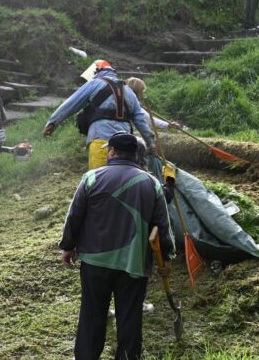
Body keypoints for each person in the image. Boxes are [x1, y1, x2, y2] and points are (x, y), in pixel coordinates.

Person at [59, 132, 175, 360]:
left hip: (94, 262)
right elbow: (163, 226)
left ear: (111, 151)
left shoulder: (91, 177)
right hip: (134, 263)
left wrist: (68, 246)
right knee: (130, 318)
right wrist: (168, 257)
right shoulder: (151, 183)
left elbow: (74, 216)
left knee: (92, 314)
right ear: (135, 155)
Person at [42, 60, 156, 170]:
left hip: (100, 140)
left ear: (96, 72)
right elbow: (141, 120)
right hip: (124, 145)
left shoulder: (94, 84)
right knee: (121, 181)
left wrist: (53, 122)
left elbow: (71, 104)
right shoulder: (129, 91)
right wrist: (151, 142)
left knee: (99, 181)